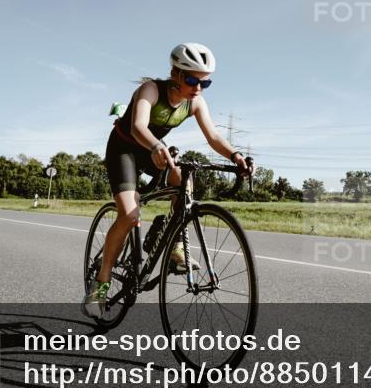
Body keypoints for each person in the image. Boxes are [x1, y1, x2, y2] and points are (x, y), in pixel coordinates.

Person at [83, 43, 254, 318]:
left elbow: (213, 137)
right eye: (192, 81)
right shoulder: (151, 90)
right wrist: (155, 146)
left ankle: (171, 242)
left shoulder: (195, 102)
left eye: (205, 83)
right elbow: (138, 126)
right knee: (129, 214)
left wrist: (235, 156)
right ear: (175, 74)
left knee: (183, 183)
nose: (198, 88)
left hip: (153, 149)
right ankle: (99, 286)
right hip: (125, 148)